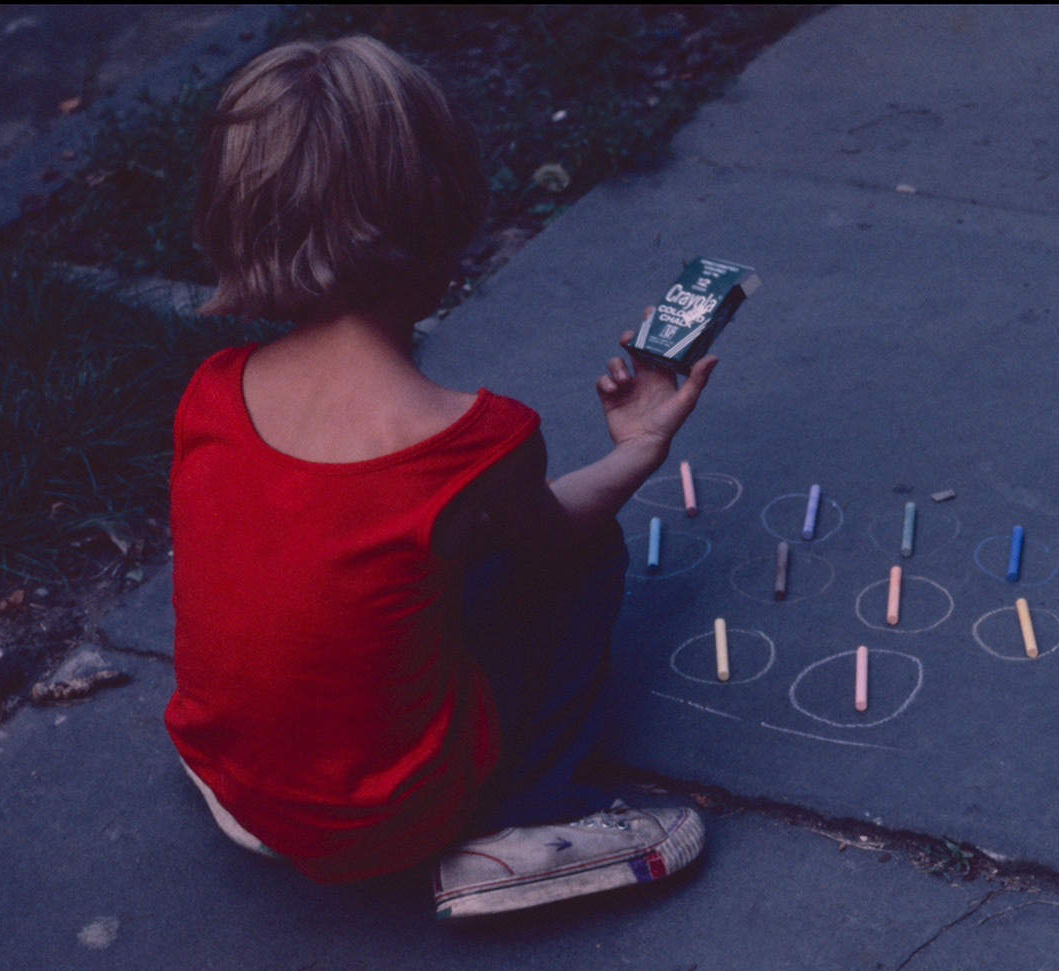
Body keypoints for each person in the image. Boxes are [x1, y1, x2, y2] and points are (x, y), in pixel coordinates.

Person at [164, 34, 713, 919]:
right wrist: (636, 448)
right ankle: (528, 822)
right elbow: (553, 541)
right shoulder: (473, 440)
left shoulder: (212, 391)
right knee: (583, 556)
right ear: (440, 213)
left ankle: (270, 783)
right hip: (390, 821)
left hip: (242, 782)